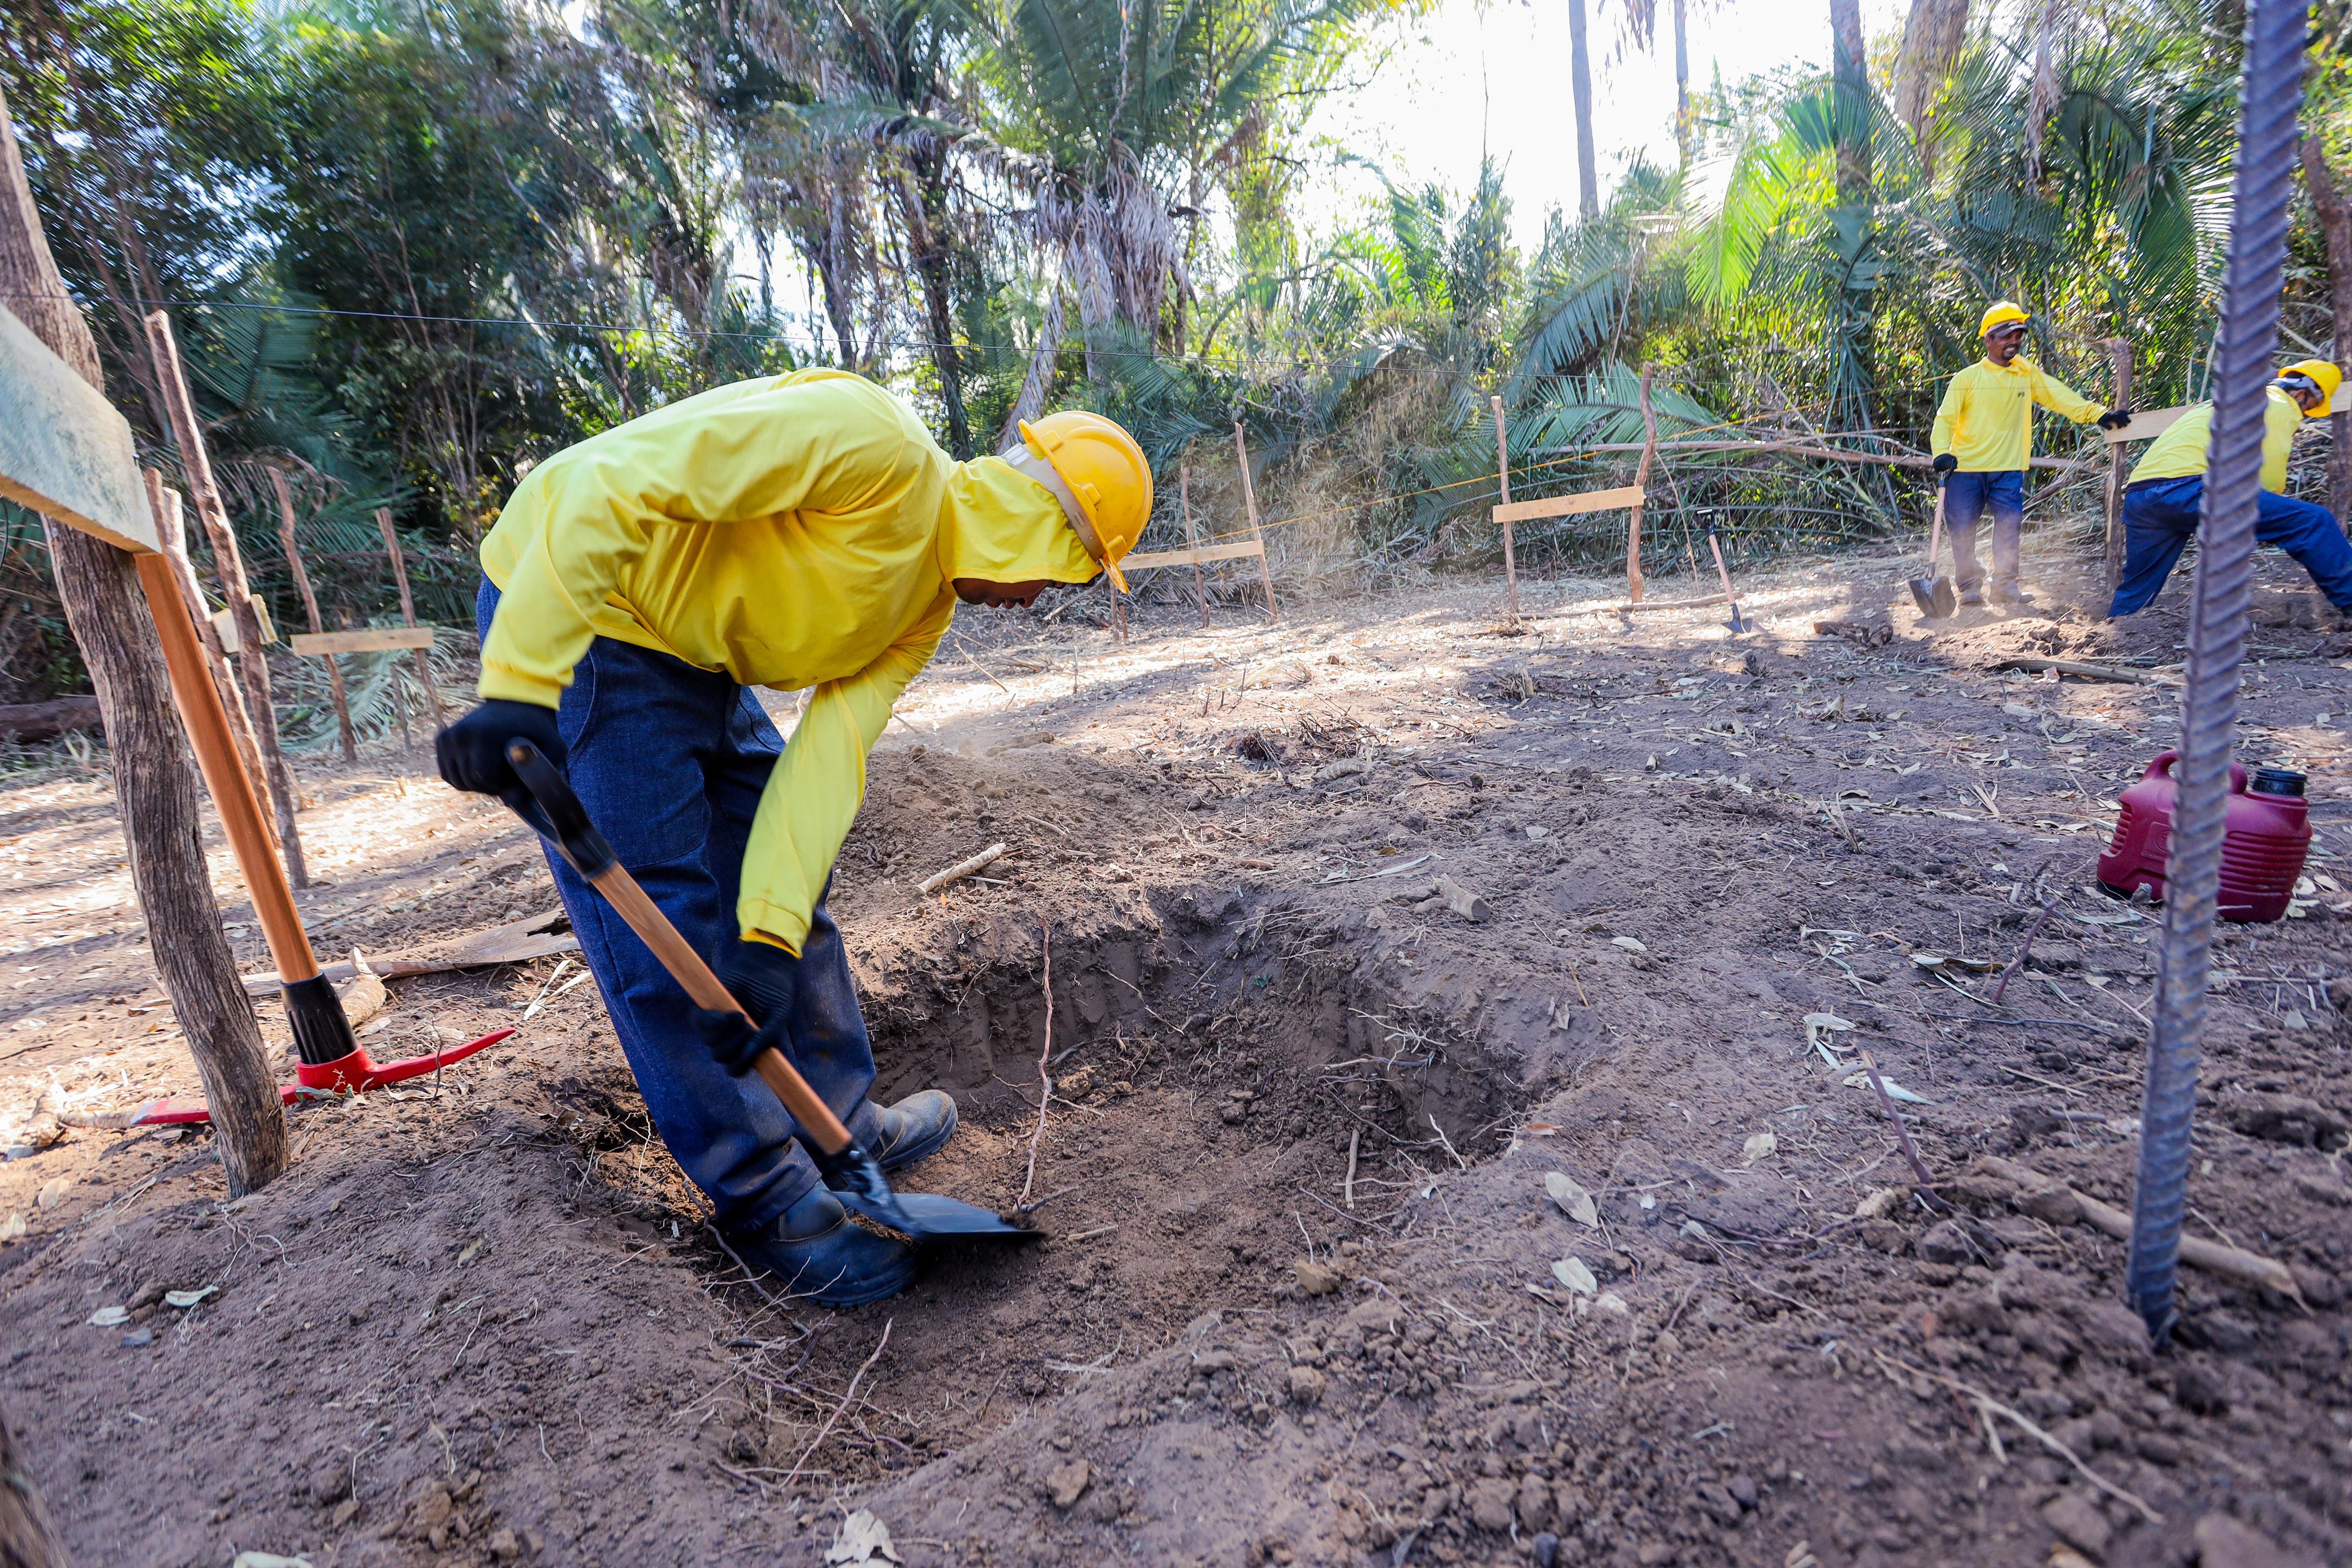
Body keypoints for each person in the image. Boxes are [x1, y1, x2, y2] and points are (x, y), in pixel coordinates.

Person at [434, 370, 1149, 1305]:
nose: (1044, 598)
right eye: (1069, 573)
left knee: (786, 907)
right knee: (669, 926)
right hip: (593, 617)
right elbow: (604, 487)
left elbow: (825, 764)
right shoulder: (870, 443)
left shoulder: (921, 606)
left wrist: (766, 937)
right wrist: (522, 681)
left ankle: (833, 1122)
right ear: (1042, 528)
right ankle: (766, 1191)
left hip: (699, 652)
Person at [2108, 359, 2352, 619]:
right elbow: (2268, 467)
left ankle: (2118, 629)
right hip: (2191, 489)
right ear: (2301, 395)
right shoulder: (2280, 404)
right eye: (2310, 408)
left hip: (2142, 496)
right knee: (2313, 521)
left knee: (2140, 584)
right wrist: (2272, 508)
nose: (2304, 415)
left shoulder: (2222, 402)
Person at [1930, 301, 2132, 606]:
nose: (2014, 341)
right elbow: (1944, 420)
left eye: (2019, 334)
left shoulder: (2025, 373)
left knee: (2009, 526)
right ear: (1988, 340)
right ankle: (1970, 586)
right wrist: (1941, 453)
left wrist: (2097, 414)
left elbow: (2057, 395)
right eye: (2006, 335)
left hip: (2009, 468)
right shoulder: (1967, 378)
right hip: (1965, 469)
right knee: (1962, 528)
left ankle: (2005, 586)